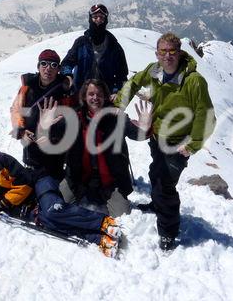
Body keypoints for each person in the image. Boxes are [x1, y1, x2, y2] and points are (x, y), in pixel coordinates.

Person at [114, 32, 216, 251]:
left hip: (179, 144)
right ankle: (156, 204)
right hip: (157, 136)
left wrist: (193, 145)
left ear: (179, 53)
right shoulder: (155, 70)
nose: (167, 56)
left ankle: (168, 232)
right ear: (157, 53)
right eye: (163, 51)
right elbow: (133, 82)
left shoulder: (194, 81)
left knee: (165, 186)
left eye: (172, 51)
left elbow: (206, 115)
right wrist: (120, 104)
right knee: (155, 173)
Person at [0, 135, 122, 257]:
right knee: (48, 221)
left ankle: (103, 222)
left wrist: (0, 205)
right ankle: (98, 239)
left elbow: (24, 184)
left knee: (53, 211)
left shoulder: (3, 161)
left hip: (38, 184)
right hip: (26, 205)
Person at [39, 79, 152, 217]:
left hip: (111, 183)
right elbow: (53, 133)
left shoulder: (116, 117)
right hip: (78, 179)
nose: (95, 98)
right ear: (84, 97)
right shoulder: (74, 117)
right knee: (58, 203)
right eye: (91, 94)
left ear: (105, 96)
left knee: (122, 215)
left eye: (99, 94)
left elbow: (137, 134)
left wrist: (145, 128)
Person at [10, 49, 71, 179]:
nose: (48, 68)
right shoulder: (27, 88)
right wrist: (21, 131)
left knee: (53, 181)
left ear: (58, 69)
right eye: (44, 64)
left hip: (54, 148)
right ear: (38, 67)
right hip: (31, 146)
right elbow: (16, 110)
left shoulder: (65, 92)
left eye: (53, 65)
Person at [60, 4, 128, 101]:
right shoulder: (81, 43)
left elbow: (122, 75)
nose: (98, 20)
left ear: (106, 20)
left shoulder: (114, 46)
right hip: (80, 95)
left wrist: (117, 92)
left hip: (104, 97)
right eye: (95, 17)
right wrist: (67, 75)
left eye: (101, 17)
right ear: (90, 19)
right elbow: (66, 63)